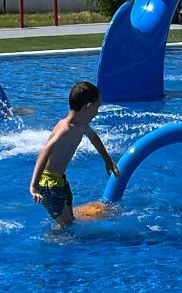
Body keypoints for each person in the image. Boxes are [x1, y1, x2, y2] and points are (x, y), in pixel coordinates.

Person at [29, 81, 119, 227]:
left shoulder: (81, 125)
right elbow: (45, 151)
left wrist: (108, 160)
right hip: (47, 183)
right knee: (65, 225)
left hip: (60, 180)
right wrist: (34, 185)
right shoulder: (65, 128)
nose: (97, 112)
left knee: (70, 220)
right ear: (88, 106)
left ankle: (59, 233)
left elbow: (94, 138)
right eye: (97, 107)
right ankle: (52, 239)